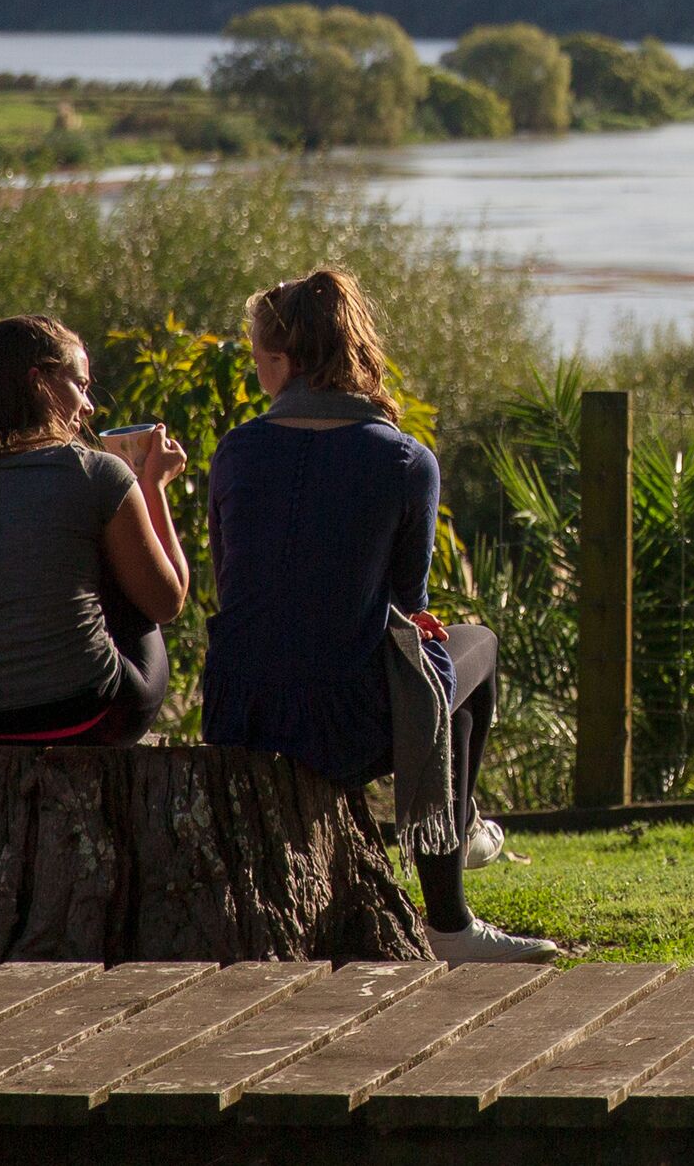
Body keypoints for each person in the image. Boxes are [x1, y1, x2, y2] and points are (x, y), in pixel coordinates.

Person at [200, 266, 553, 963]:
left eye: (259, 358)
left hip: (238, 711)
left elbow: (230, 582)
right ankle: (452, 910)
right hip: (341, 725)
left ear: (284, 361)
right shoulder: (404, 461)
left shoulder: (235, 450)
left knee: (438, 665)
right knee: (467, 650)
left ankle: (466, 829)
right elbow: (408, 607)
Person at [0, 313, 190, 744]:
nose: (89, 407)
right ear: (40, 383)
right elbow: (167, 601)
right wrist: (151, 488)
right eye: (81, 386)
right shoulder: (96, 474)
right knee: (128, 591)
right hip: (83, 715)